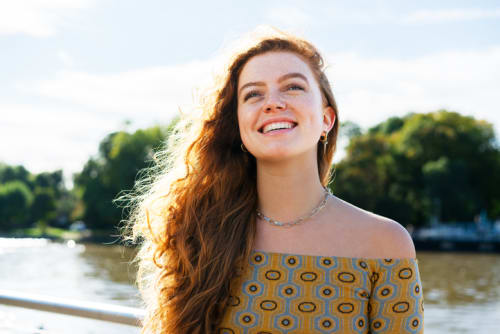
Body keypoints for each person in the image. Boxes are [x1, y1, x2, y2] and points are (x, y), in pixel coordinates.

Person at [123, 27, 424, 334]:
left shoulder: (386, 243)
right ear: (238, 123)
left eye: (292, 87)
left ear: (326, 119)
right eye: (253, 94)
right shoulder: (199, 231)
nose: (272, 102)